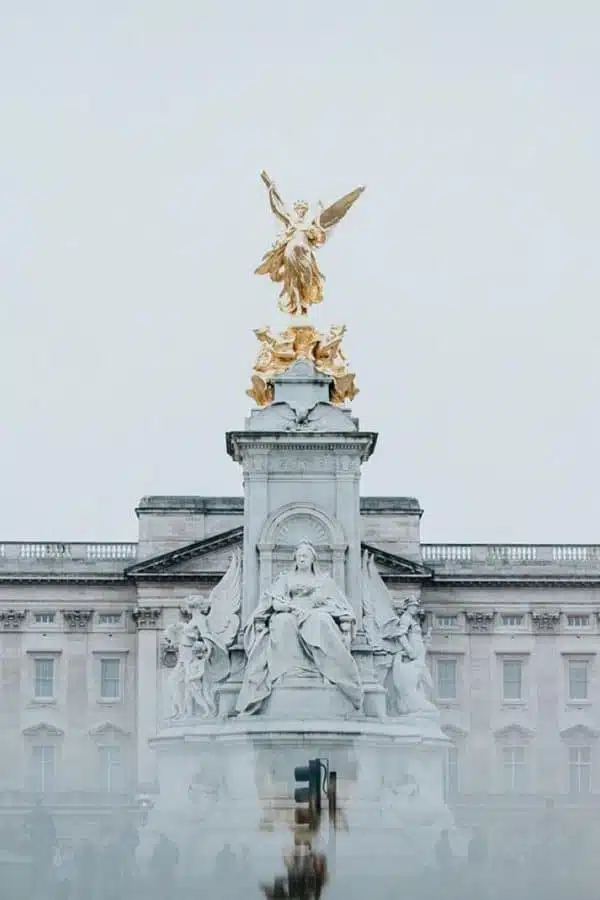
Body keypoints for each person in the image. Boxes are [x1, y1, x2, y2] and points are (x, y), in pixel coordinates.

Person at [236, 542, 362, 715]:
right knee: (282, 622)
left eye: (306, 556)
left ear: (312, 560)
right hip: (291, 611)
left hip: (317, 612)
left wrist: (321, 601)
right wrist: (284, 607)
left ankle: (328, 669)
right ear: (295, 558)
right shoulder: (285, 578)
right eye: (299, 556)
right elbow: (274, 601)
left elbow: (337, 602)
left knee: (321, 621)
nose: (302, 559)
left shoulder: (324, 580)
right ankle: (285, 672)